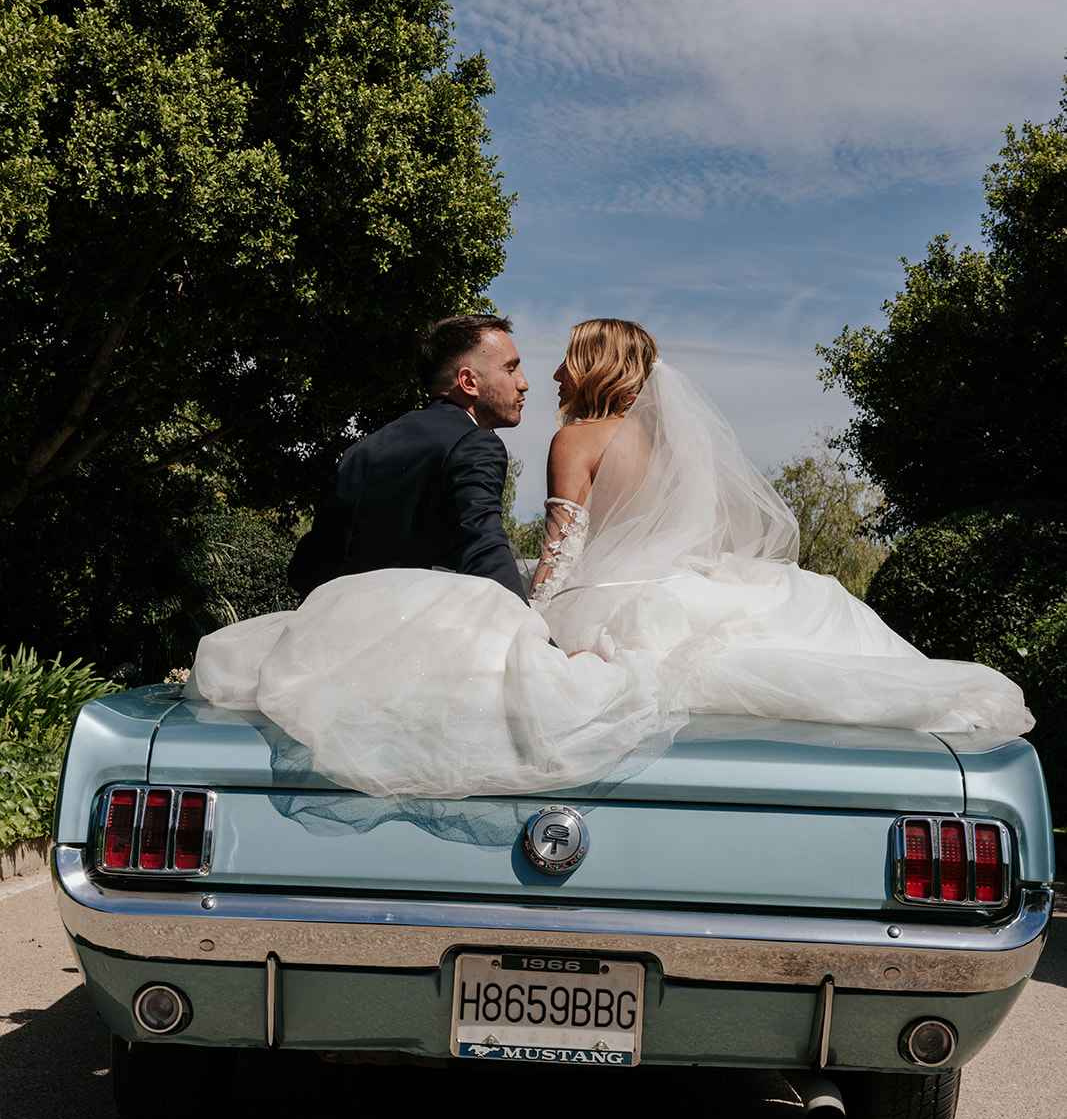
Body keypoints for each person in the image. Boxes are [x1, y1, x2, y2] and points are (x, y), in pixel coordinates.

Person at [189, 317, 1032, 799]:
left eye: (553, 360)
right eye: (516, 364)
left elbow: (556, 551)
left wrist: (531, 618)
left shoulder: (533, 441)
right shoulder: (669, 448)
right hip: (672, 583)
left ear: (587, 365)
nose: (542, 375)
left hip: (571, 594)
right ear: (469, 380)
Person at [288, 313, 528, 602]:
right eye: (510, 369)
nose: (523, 383)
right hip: (425, 621)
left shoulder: (360, 452)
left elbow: (306, 568)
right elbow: (484, 550)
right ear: (468, 382)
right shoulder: (474, 443)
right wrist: (527, 626)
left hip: (338, 618)